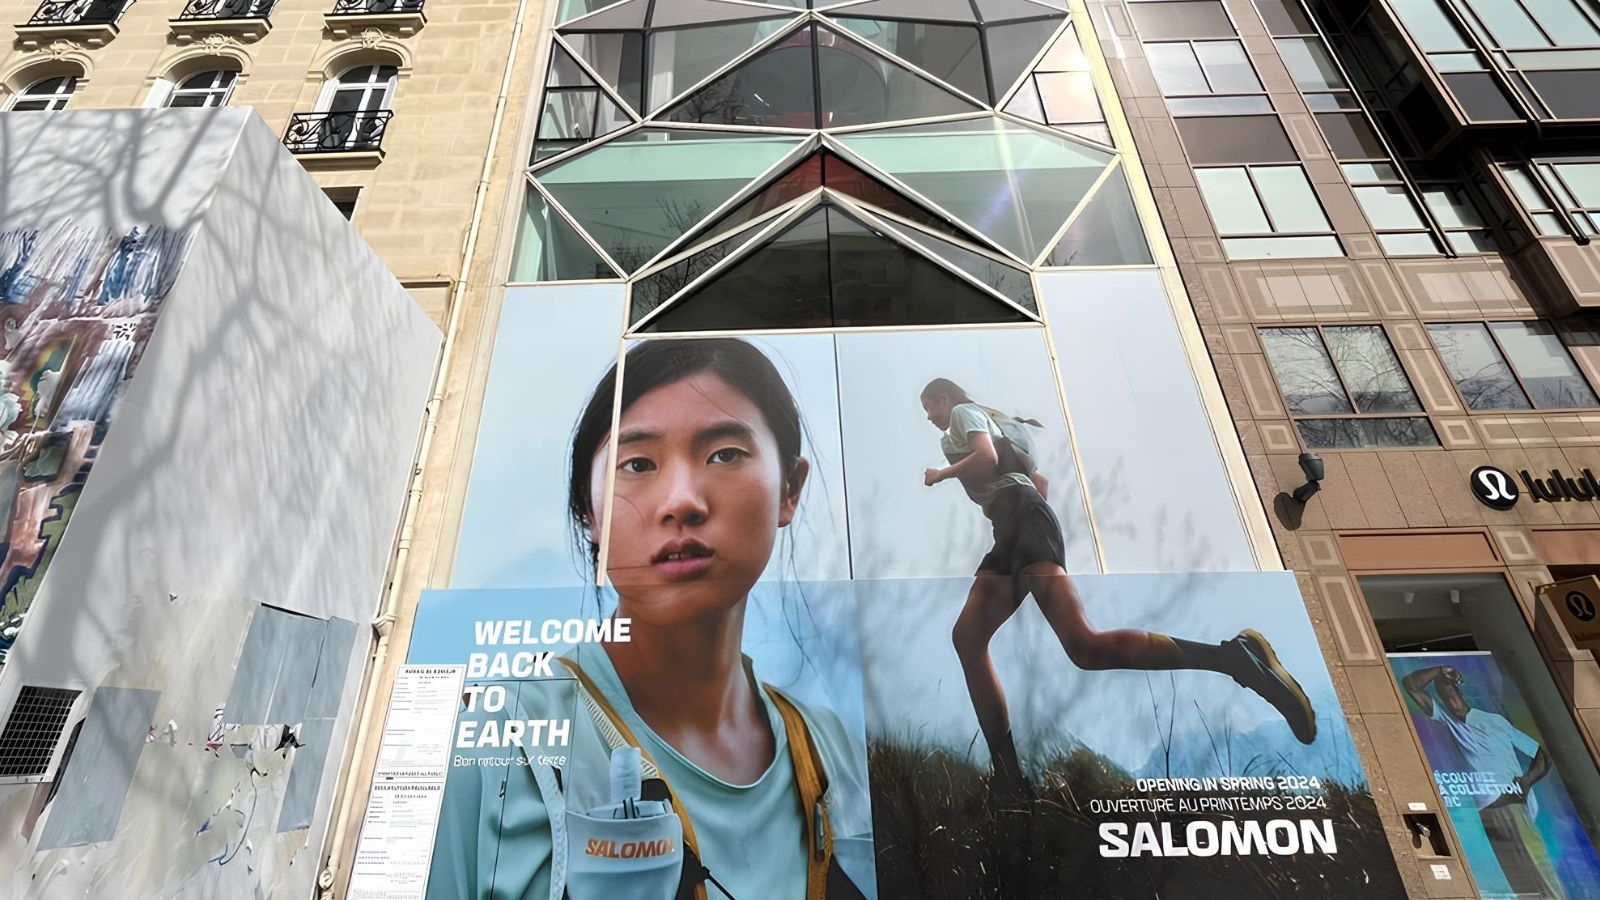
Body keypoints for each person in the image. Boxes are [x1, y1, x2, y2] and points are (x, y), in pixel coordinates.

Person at [428, 339, 871, 900]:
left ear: (790, 487)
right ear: (588, 512)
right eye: (637, 464)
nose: (681, 501)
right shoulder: (498, 737)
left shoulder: (830, 749)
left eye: (725, 454)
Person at [918, 378, 1318, 797]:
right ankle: (1008, 777)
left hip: (1023, 521)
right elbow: (1041, 485)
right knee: (993, 641)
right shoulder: (991, 423)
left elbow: (985, 457)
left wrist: (942, 473)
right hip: (1017, 523)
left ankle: (1234, 658)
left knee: (1067, 645)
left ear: (944, 398)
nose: (930, 416)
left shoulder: (963, 417)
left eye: (931, 406)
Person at [1402, 665, 1556, 897]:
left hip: (1512, 802)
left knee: (1539, 872)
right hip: (1487, 810)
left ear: (1460, 692)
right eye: (1443, 694)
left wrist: (1525, 782)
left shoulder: (1493, 721)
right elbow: (1411, 685)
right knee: (1520, 880)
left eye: (1451, 691)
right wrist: (1438, 672)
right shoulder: (1445, 719)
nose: (1449, 698)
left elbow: (1541, 755)